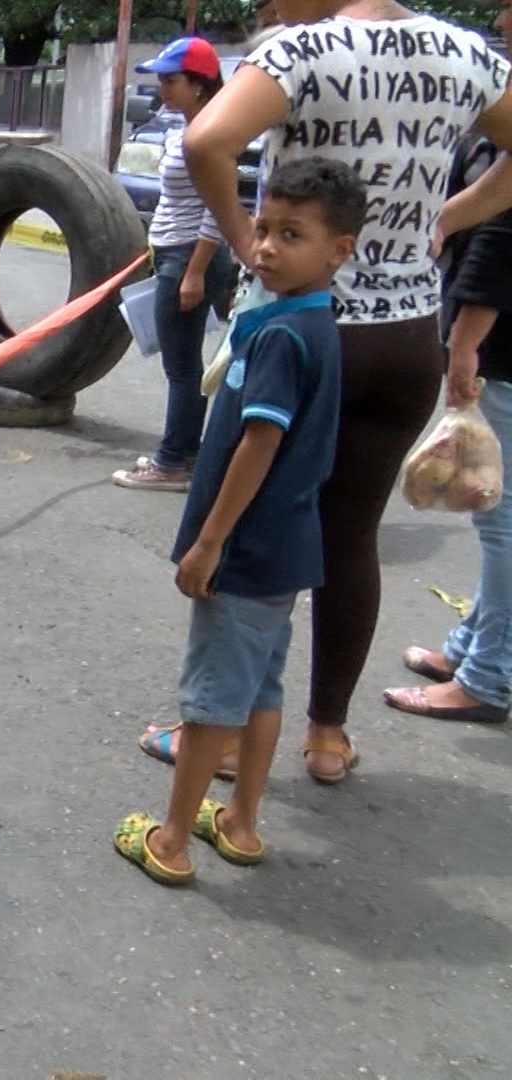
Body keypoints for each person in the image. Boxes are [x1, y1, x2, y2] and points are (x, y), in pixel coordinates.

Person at [179, 0, 512, 784]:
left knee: (253, 525)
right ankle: (327, 735)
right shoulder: (467, 54)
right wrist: (447, 215)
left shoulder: (306, 49)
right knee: (351, 534)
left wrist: (243, 240)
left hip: (304, 326)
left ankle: (223, 734)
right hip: (407, 334)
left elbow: (206, 140)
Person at [114, 158, 365, 886]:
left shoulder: (282, 336)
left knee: (210, 703)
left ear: (338, 248)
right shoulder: (312, 318)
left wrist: (209, 542)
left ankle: (169, 842)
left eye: (292, 234)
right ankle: (241, 822)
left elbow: (259, 444)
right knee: (260, 692)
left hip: (246, 551)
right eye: (262, 228)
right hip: (287, 549)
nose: (266, 247)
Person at [384, 0, 512, 725]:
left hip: (504, 345)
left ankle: (486, 677)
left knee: (500, 521)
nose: (498, 22)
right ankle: (471, 648)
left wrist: (465, 341)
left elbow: (505, 238)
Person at [110, 37, 233, 493]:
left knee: (182, 368)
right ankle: (187, 452)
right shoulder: (188, 127)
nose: (162, 88)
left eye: (171, 79)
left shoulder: (211, 132)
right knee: (183, 364)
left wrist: (195, 270)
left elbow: (215, 208)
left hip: (189, 255)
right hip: (175, 251)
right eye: (160, 79)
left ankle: (171, 463)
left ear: (200, 84)